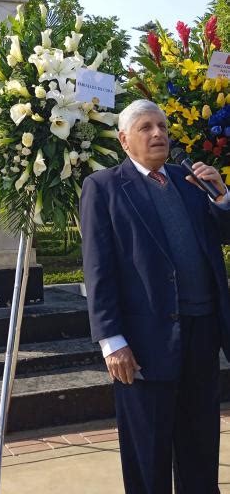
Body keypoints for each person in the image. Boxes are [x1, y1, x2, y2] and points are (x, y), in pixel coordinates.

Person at [80, 99, 230, 494]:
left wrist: (222, 195)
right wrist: (112, 340)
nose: (158, 134)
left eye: (162, 126)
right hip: (145, 343)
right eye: (146, 127)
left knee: (200, 448)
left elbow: (222, 233)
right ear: (124, 140)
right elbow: (99, 268)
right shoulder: (104, 187)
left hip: (202, 333)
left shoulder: (189, 180)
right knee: (149, 454)